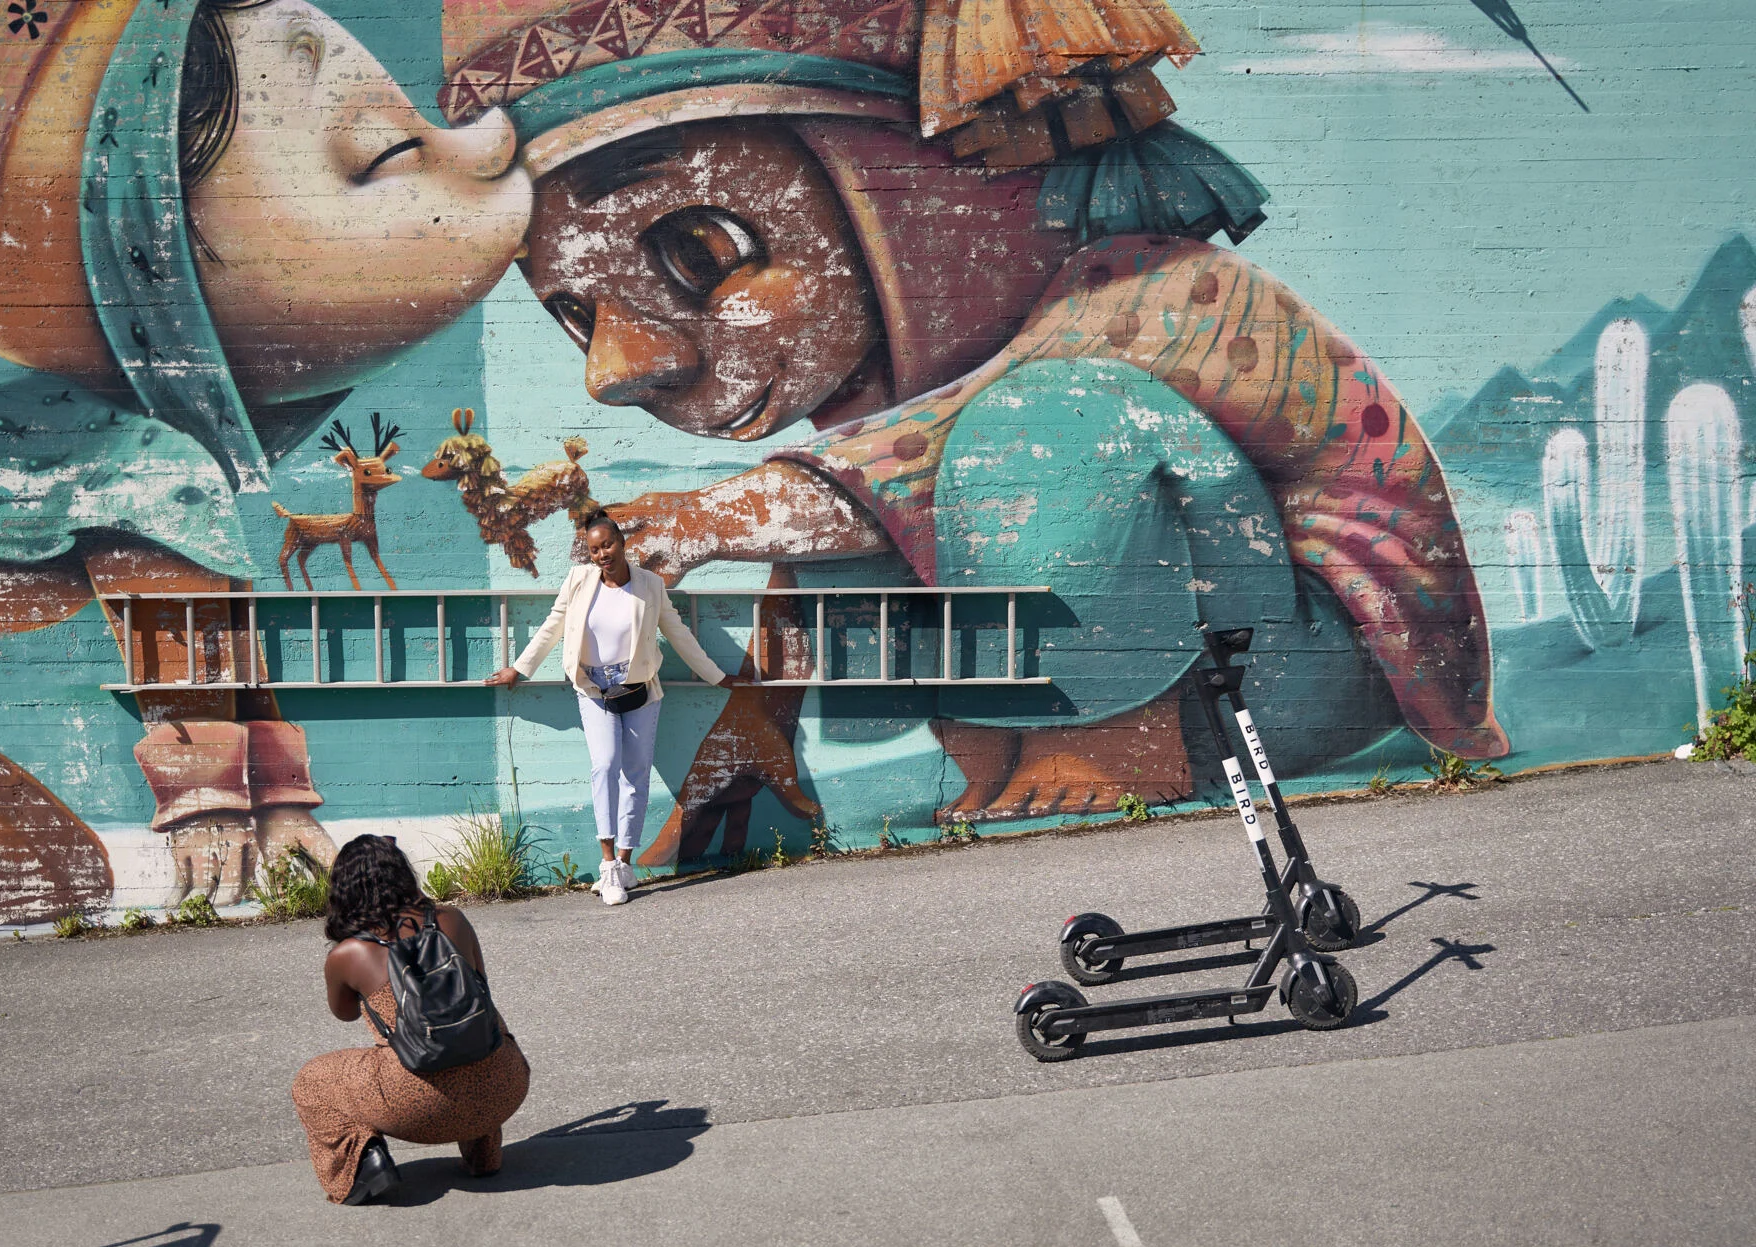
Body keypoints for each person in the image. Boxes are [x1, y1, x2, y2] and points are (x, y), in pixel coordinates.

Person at [442, 0, 1508, 865]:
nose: (620, 368)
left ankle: (1108, 751)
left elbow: (919, 457)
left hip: (1289, 668)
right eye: (577, 317)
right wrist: (757, 728)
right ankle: (1010, 761)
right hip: (1141, 651)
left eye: (700, 250)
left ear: (886, 194)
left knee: (1047, 424)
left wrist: (715, 512)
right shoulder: (884, 406)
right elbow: (858, 494)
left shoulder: (1153, 291)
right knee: (841, 506)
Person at [0, 0, 531, 929]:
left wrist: (280, 802)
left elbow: (215, 629)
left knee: (61, 873)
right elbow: (173, 619)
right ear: (156, 242)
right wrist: (206, 799)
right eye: (380, 150)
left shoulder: (149, 444)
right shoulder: (150, 461)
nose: (487, 145)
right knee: (34, 880)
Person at [486, 514, 738, 901]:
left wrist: (716, 676)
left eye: (607, 545)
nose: (601, 554)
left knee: (635, 775)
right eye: (594, 549)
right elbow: (553, 624)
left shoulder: (650, 586)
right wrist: (520, 668)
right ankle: (606, 865)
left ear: (622, 542)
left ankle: (624, 863)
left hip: (639, 691)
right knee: (605, 765)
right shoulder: (579, 581)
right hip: (593, 690)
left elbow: (678, 634)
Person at [291, 834, 531, 1205]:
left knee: (312, 1081)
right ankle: (485, 1155)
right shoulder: (454, 919)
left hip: (420, 1108)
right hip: (504, 1083)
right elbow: (481, 985)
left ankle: (364, 1167)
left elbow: (344, 1013)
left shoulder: (347, 954)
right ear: (402, 874)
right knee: (467, 1030)